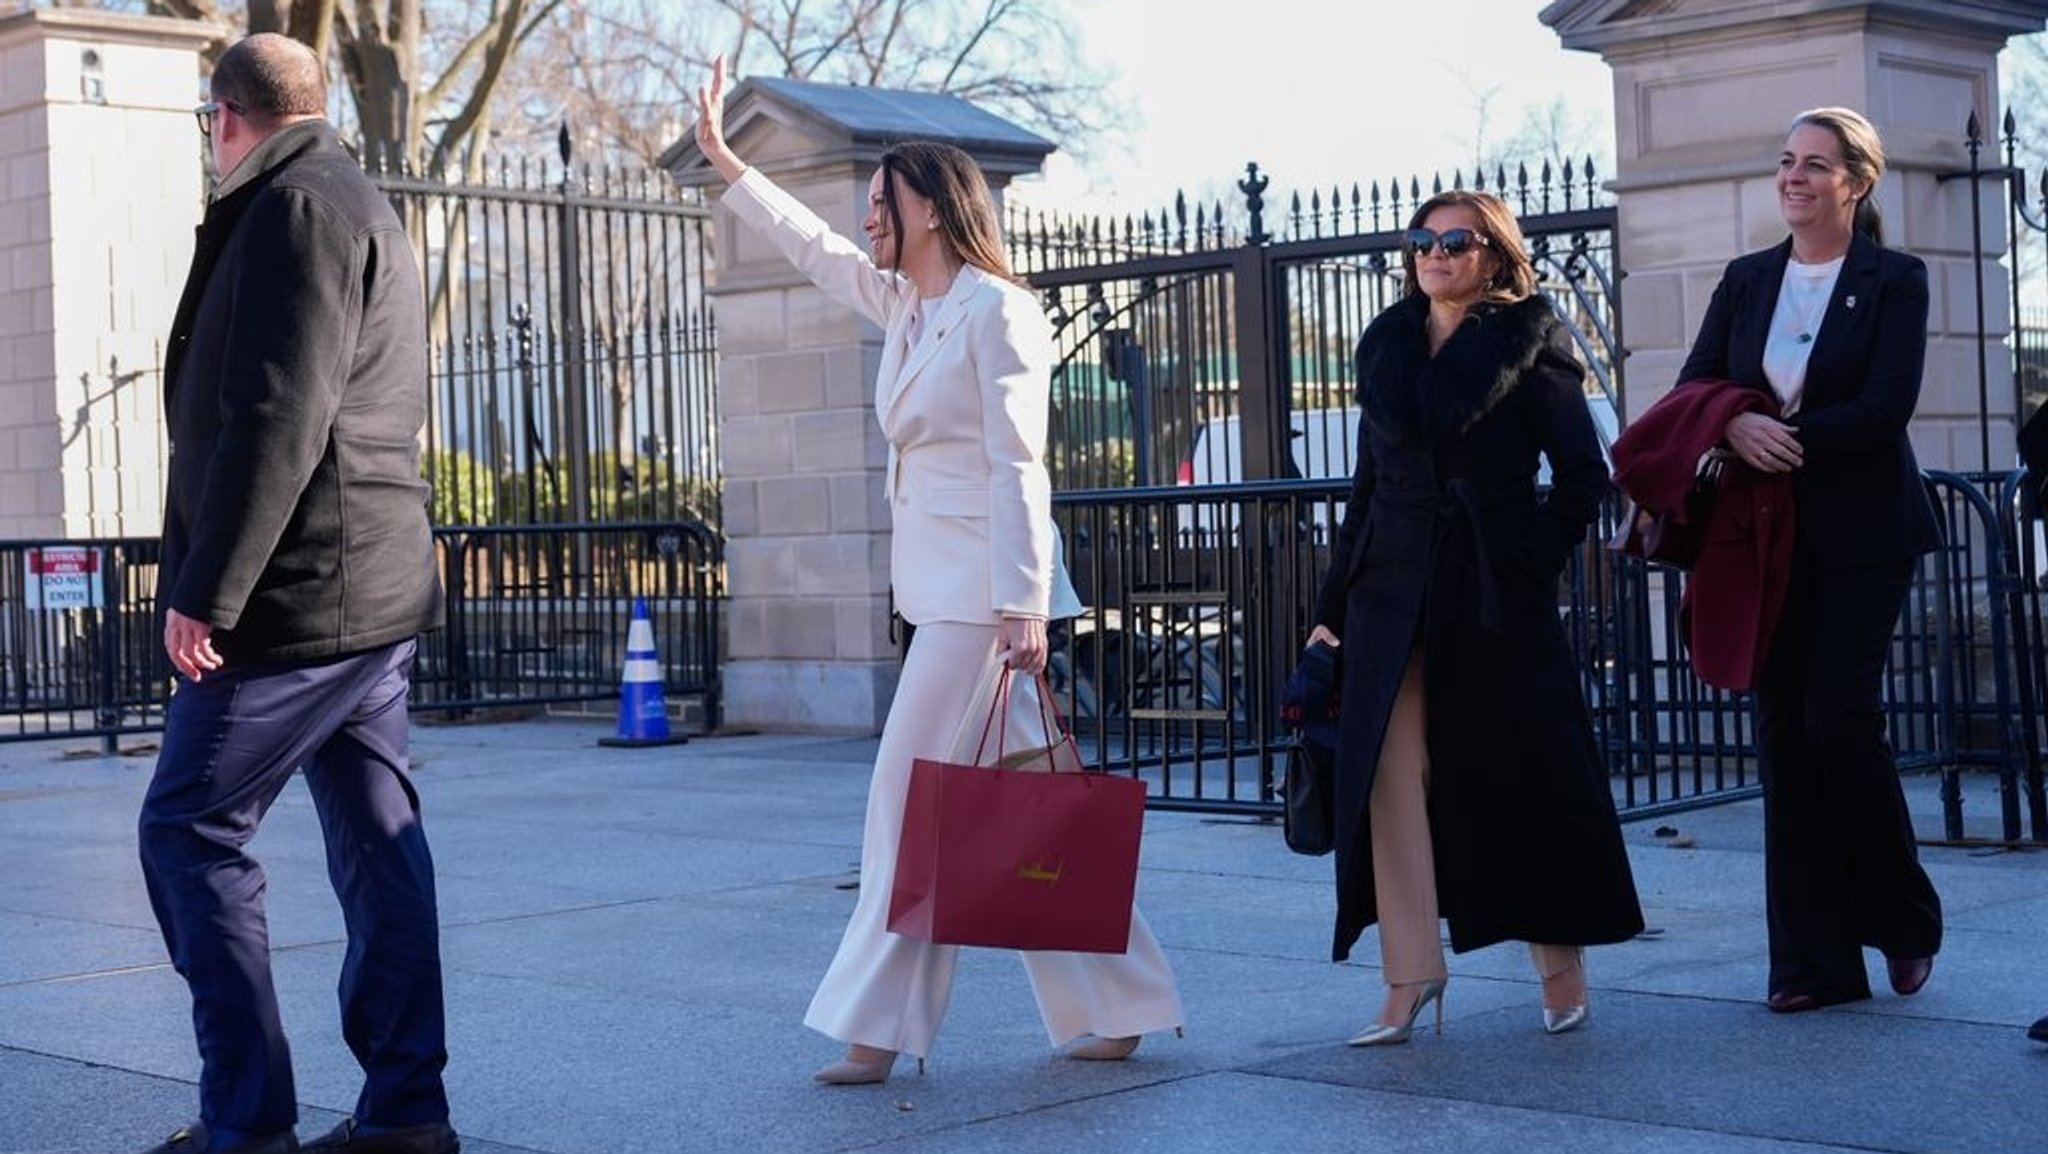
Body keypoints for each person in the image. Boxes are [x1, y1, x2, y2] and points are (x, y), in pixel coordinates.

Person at [689, 58, 1184, 1085]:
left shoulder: (994, 310)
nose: (867, 215)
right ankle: (1122, 1000)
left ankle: (877, 1028)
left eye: (882, 200)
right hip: (947, 601)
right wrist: (733, 169)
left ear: (929, 206)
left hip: (984, 607)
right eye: (866, 203)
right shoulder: (909, 308)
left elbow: (1019, 463)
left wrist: (1019, 603)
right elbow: (816, 250)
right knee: (1021, 810)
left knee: (909, 803)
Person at [138, 33, 458, 1154]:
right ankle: (407, 1111)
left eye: (204, 127)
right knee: (380, 839)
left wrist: (207, 591)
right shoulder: (354, 196)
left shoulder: (294, 211)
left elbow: (277, 414)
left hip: (298, 599)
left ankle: (249, 1121)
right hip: (364, 593)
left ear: (224, 118)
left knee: (187, 832)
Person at [1307, 190, 1644, 1045]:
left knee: (1518, 775)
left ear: (1494, 253)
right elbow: (1367, 489)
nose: (1435, 253)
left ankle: (1559, 966)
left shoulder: (1530, 341)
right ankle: (1410, 976)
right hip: (1388, 593)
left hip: (1492, 596)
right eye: (1422, 240)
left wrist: (1523, 562)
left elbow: (1582, 477)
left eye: (1455, 240)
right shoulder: (1388, 345)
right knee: (1389, 776)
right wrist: (1328, 611)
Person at [1675, 107, 1942, 1013]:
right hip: (1760, 536)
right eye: (1787, 160)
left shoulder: (1895, 279)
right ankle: (1814, 966)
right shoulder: (1749, 279)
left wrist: (1782, 434)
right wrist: (1734, 424)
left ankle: (1901, 918)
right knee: (1784, 737)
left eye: (1816, 165)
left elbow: (1883, 408)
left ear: (1856, 184)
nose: (1794, 177)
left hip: (1864, 532)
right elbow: (1696, 385)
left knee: (1838, 717)